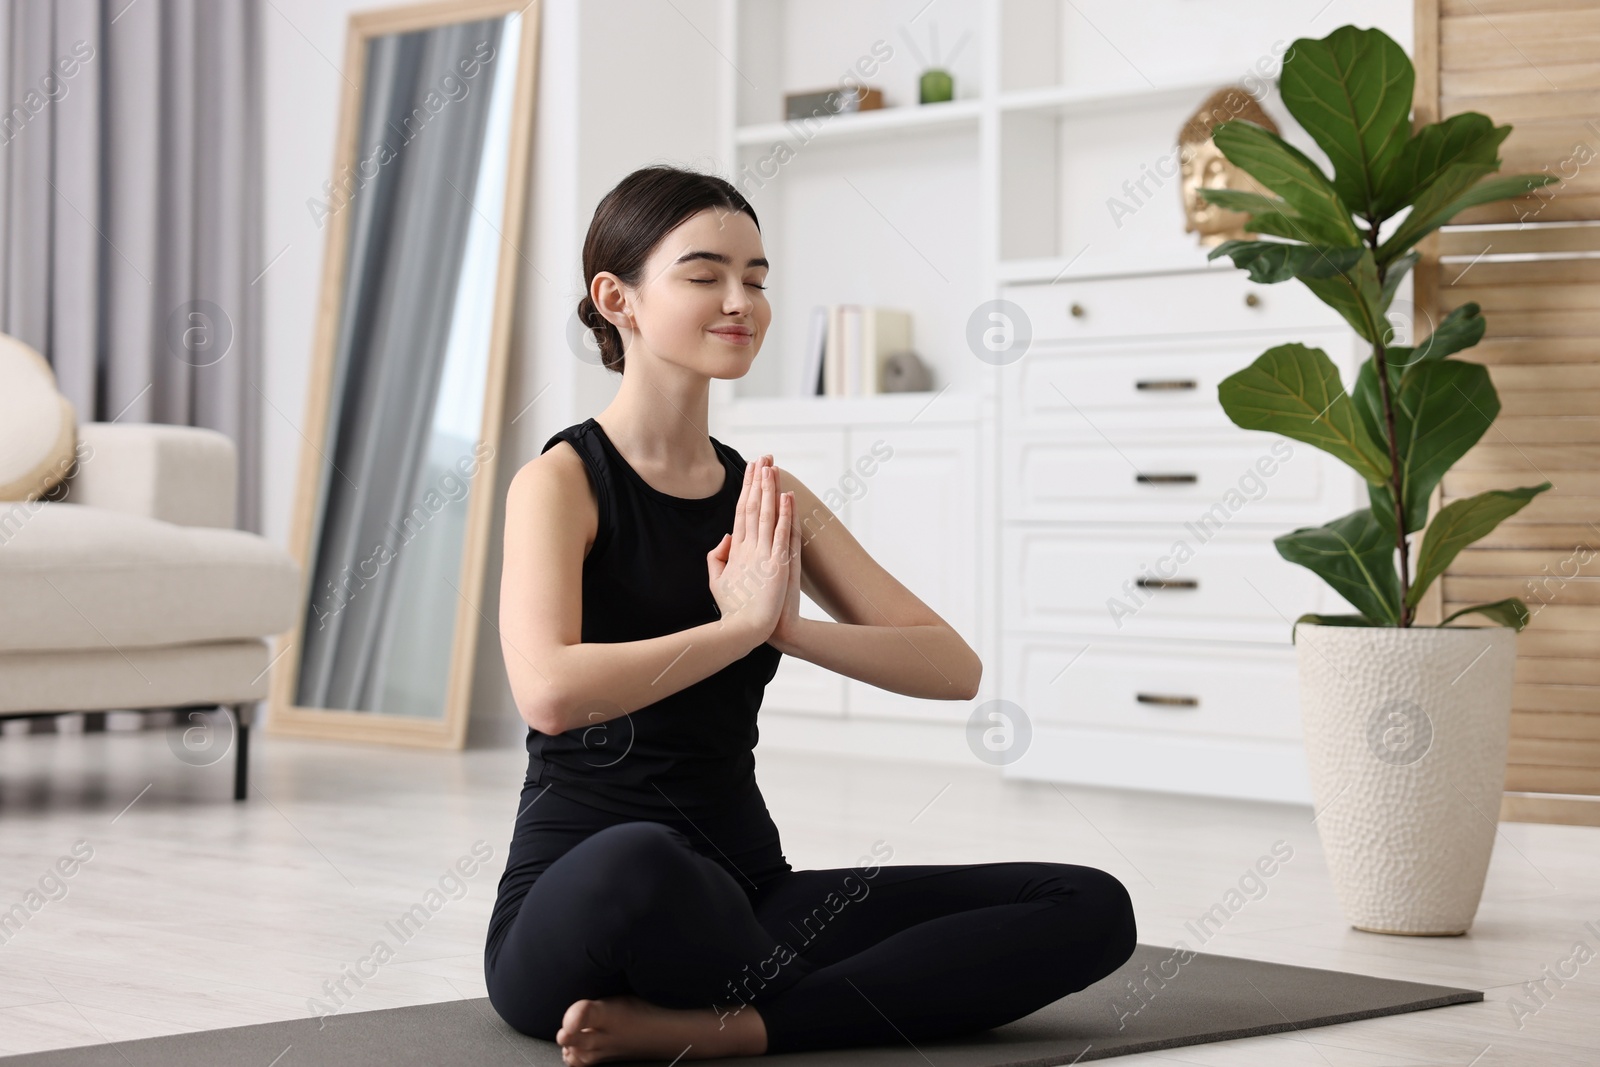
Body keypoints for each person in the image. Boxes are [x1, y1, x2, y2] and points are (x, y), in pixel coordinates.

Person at [485, 164, 1137, 1065]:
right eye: (705, 274)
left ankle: (747, 1027)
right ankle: (853, 1000)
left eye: (755, 278)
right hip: (587, 897)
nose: (740, 300)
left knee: (1089, 902)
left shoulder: (770, 496)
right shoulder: (561, 483)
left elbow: (954, 669)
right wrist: (738, 631)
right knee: (644, 857)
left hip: (751, 895)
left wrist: (790, 628)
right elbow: (550, 693)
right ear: (616, 298)